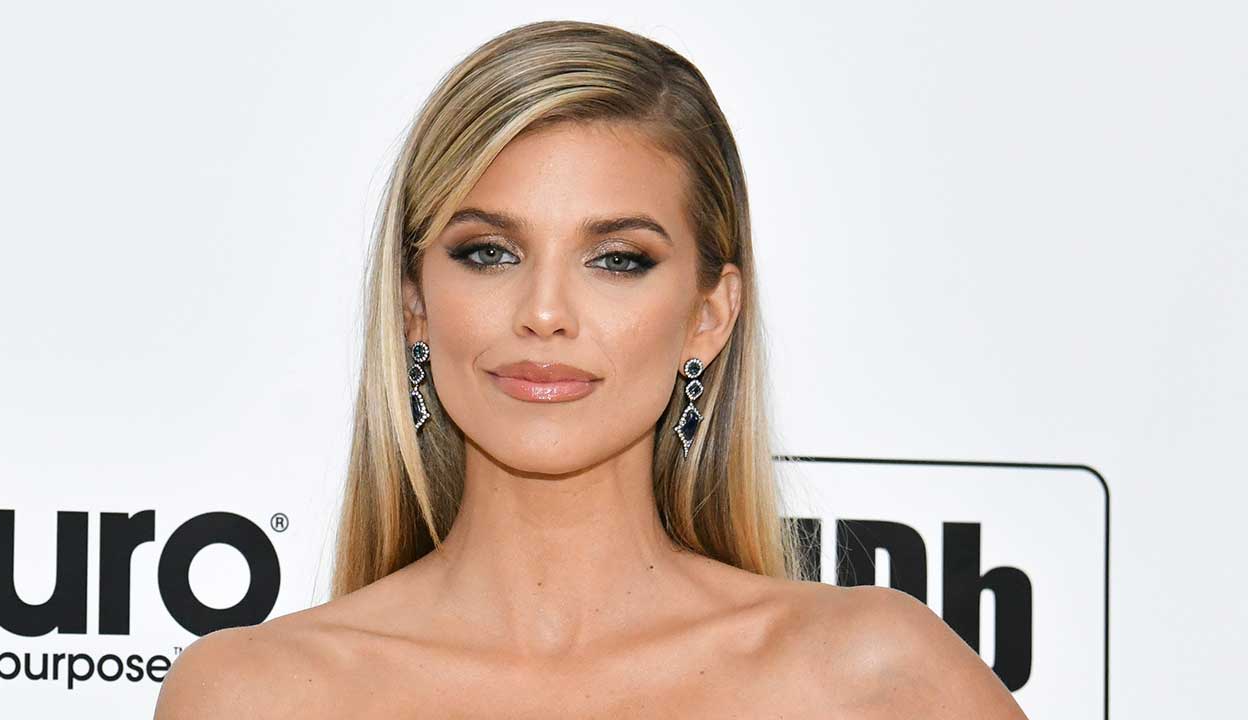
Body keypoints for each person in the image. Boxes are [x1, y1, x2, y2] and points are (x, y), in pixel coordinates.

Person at [154, 19, 1028, 718]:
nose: (544, 312)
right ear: (414, 302)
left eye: (616, 260)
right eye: (489, 252)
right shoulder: (253, 695)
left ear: (709, 315)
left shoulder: (874, 680)